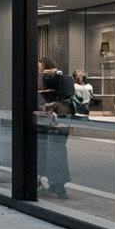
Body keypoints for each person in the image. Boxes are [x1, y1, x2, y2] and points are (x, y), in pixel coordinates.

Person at [37, 57, 73, 199]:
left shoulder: (60, 79)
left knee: (55, 150)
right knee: (48, 151)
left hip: (55, 119)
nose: (40, 73)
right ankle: (54, 182)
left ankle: (57, 183)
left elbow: (65, 97)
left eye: (41, 69)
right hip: (47, 119)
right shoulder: (46, 80)